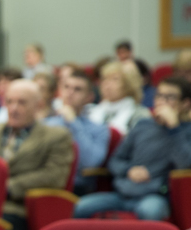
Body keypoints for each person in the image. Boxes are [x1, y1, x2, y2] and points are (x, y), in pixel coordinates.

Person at [0, 79, 74, 230]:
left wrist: (7, 187)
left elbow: (54, 176)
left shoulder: (56, 136)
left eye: (22, 103)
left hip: (18, 206)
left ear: (38, 105)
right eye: (9, 102)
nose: (14, 108)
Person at [75, 77, 191, 221]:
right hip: (123, 194)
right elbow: (116, 160)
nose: (161, 101)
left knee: (150, 211)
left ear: (185, 103)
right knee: (79, 207)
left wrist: (174, 128)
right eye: (159, 95)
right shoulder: (142, 125)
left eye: (170, 97)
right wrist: (129, 170)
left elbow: (185, 164)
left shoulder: (186, 132)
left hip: (155, 196)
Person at [45, 71, 111, 196]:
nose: (70, 93)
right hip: (43, 183)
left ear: (89, 97)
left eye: (77, 89)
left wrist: (73, 122)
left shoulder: (99, 129)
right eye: (66, 87)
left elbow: (90, 162)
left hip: (77, 189)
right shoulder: (47, 124)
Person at [87, 61, 151, 135]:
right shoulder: (91, 111)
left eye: (114, 79)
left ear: (129, 84)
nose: (107, 83)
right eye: (104, 79)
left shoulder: (139, 114)